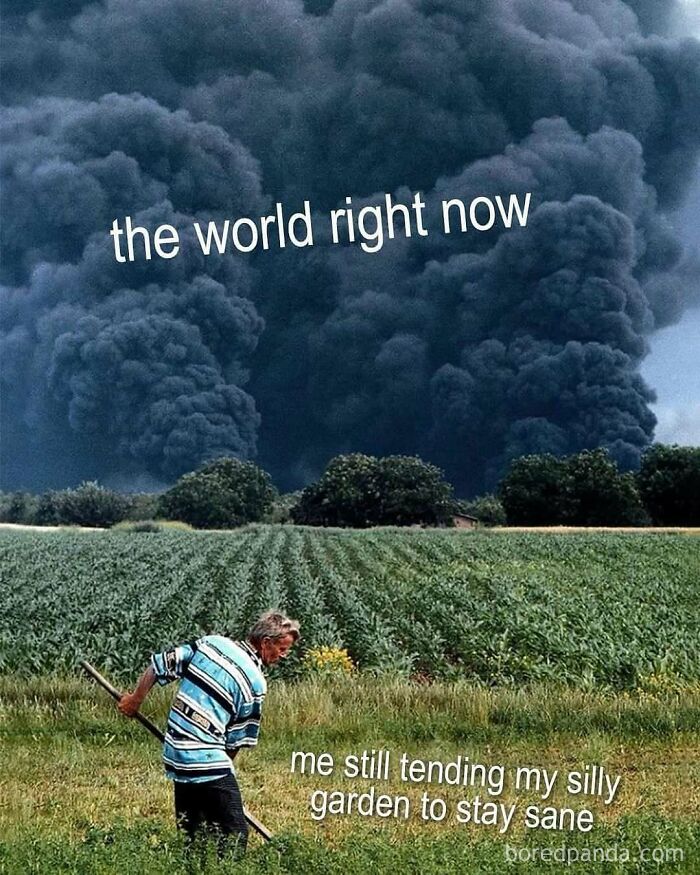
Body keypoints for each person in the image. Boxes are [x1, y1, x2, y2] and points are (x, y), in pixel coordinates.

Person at [118, 609, 300, 856]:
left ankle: (194, 865)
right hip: (204, 757)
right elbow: (234, 743)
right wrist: (221, 776)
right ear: (266, 642)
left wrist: (135, 700)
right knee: (235, 833)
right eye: (282, 648)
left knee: (192, 829)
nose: (284, 655)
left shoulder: (212, 643)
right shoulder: (256, 683)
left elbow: (161, 663)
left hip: (174, 752)